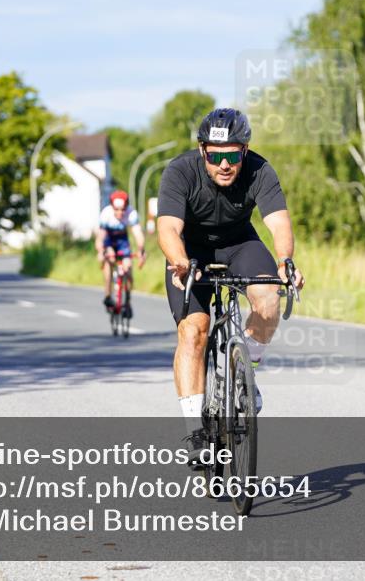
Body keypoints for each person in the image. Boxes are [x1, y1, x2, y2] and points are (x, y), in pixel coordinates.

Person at [156, 108, 305, 466]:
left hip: (240, 243)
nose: (225, 164)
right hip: (189, 250)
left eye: (233, 155)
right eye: (216, 156)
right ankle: (195, 431)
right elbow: (168, 229)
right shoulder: (180, 171)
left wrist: (285, 262)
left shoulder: (260, 170)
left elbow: (279, 223)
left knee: (269, 299)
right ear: (202, 150)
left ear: (245, 151)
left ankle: (244, 372)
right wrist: (179, 260)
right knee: (194, 331)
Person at [95, 190, 146, 314]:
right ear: (112, 207)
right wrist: (100, 251)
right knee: (110, 260)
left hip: (122, 241)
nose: (120, 212)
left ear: (126, 207)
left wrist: (140, 250)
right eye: (116, 209)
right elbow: (100, 237)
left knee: (128, 267)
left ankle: (127, 303)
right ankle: (108, 296)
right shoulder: (106, 213)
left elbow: (138, 234)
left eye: (122, 209)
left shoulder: (131, 213)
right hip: (108, 240)